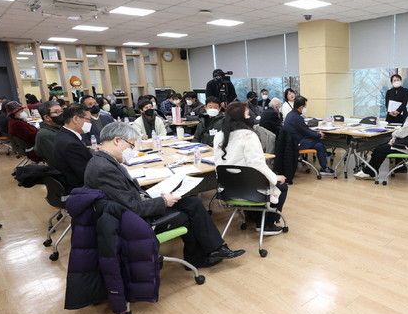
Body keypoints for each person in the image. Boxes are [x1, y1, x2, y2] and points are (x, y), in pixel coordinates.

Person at [85, 122, 245, 268]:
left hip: (129, 209)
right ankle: (201, 256)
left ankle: (215, 249)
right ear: (117, 140)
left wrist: (155, 196)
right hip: (132, 220)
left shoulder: (104, 161)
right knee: (190, 213)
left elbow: (126, 197)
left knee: (191, 202)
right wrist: (163, 201)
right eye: (131, 145)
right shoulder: (105, 168)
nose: (132, 150)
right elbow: (134, 208)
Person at [214, 102, 288, 235]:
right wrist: (275, 178)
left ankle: (253, 217)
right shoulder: (248, 136)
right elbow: (257, 165)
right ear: (241, 117)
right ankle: (267, 224)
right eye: (248, 114)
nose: (251, 116)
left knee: (255, 180)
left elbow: (218, 164)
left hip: (228, 190)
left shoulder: (219, 135)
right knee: (282, 185)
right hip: (250, 190)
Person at [354, 91, 408, 180]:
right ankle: (369, 171)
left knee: (379, 149)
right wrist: (395, 138)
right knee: (382, 146)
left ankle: (370, 173)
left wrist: (394, 135)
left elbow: (403, 133)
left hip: (406, 148)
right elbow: (405, 132)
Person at [282, 95, 335, 176]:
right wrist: (319, 135)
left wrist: (317, 134)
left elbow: (305, 130)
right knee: (319, 139)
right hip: (297, 144)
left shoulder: (291, 115)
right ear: (301, 107)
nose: (305, 108)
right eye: (305, 106)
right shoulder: (297, 118)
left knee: (319, 145)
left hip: (293, 142)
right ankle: (325, 157)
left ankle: (324, 167)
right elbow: (306, 132)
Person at [53, 103, 94, 191]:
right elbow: (85, 173)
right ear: (75, 119)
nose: (90, 123)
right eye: (88, 119)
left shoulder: (63, 134)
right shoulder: (71, 144)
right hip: (80, 187)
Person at [34, 100, 64, 167]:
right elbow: (58, 160)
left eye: (62, 111)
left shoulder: (58, 128)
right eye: (57, 112)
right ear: (47, 117)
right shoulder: (45, 135)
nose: (61, 114)